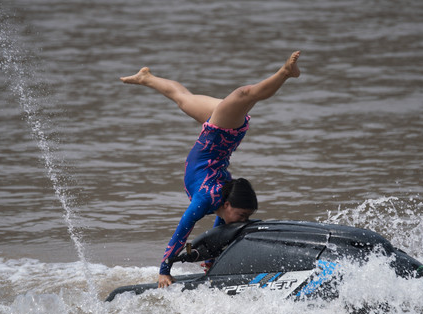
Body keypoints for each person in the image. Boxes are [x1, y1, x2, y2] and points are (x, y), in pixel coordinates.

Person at [121, 50, 301, 287]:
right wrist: (164, 270)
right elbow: (181, 232)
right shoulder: (207, 198)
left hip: (214, 130)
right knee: (245, 94)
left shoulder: (218, 202)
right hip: (222, 130)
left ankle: (147, 77)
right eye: (242, 215)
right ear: (227, 205)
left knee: (183, 98)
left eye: (245, 217)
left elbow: (218, 233)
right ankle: (285, 72)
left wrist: (211, 261)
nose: (242, 220)